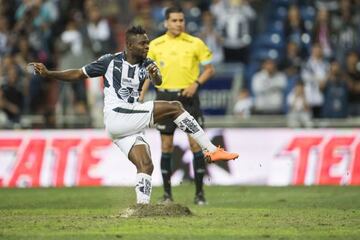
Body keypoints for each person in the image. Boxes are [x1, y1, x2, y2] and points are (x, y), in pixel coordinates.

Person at [29, 26, 238, 205]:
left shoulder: (147, 63)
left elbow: (158, 82)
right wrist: (49, 74)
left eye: (148, 43)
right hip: (117, 116)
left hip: (126, 124)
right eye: (143, 44)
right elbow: (78, 73)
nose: (147, 47)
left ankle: (141, 208)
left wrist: (155, 75)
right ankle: (211, 150)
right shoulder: (109, 62)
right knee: (175, 106)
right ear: (129, 46)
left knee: (145, 164)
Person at [147, 6, 215, 205]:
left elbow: (210, 69)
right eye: (174, 20)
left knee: (196, 145)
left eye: (181, 20)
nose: (179, 23)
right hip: (164, 98)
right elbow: (147, 73)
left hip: (188, 98)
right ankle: (167, 195)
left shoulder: (195, 43)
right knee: (166, 146)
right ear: (166, 22)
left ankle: (200, 194)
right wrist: (141, 94)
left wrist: (196, 84)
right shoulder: (155, 45)